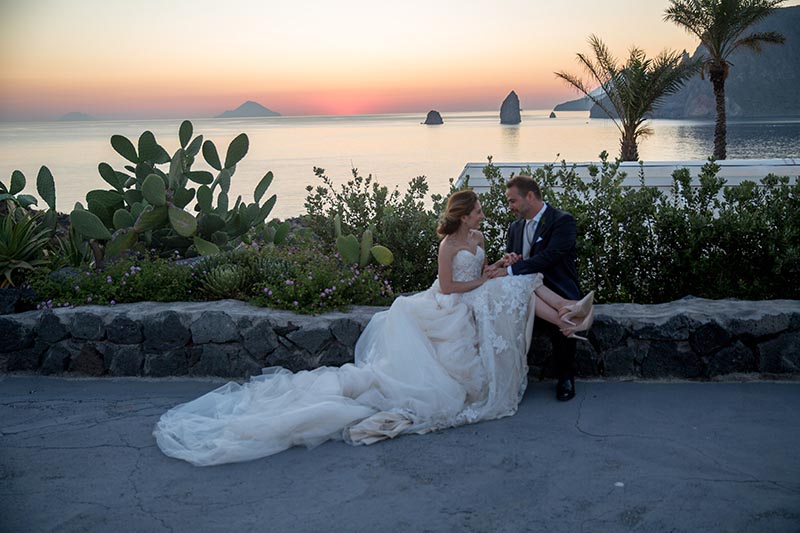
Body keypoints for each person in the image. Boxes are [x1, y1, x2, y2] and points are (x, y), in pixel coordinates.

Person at [154, 190, 592, 466]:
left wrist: (498, 265)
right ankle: (572, 315)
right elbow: (448, 284)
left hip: (472, 293)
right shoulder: (449, 242)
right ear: (463, 216)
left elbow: (481, 269)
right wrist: (486, 278)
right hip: (449, 301)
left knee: (515, 285)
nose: (484, 214)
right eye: (478, 210)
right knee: (510, 290)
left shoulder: (477, 241)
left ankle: (570, 315)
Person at [485, 176, 591, 402]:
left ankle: (566, 377)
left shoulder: (562, 221)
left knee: (552, 312)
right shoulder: (515, 227)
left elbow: (550, 257)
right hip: (526, 289)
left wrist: (512, 271)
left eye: (513, 201)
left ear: (530, 196)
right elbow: (517, 261)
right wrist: (511, 260)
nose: (510, 206)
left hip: (555, 285)